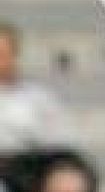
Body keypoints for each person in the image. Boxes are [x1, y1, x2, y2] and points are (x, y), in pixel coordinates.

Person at [0, 23, 72, 168]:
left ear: (15, 55)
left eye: (2, 54)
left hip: (27, 170)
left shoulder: (40, 99)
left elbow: (61, 143)